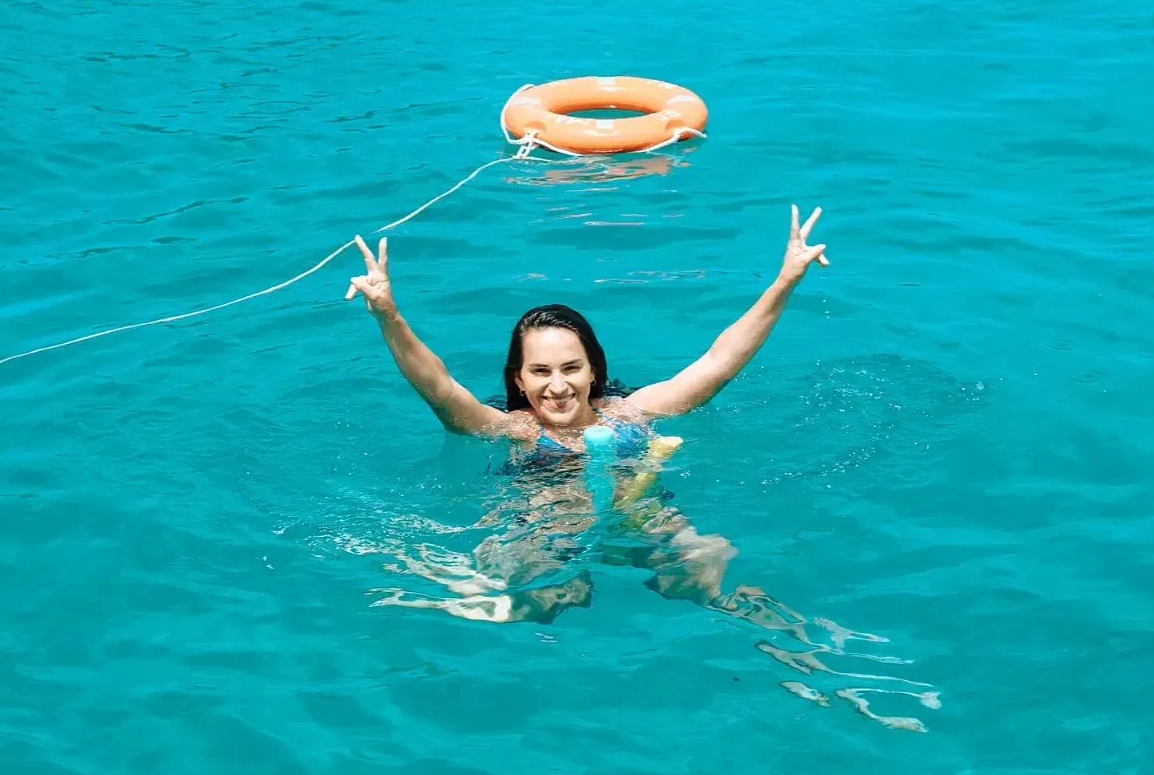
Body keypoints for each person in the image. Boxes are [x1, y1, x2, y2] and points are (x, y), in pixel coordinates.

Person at [345, 204, 830, 625]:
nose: (557, 386)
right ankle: (487, 597)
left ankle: (751, 623)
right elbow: (439, 388)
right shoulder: (517, 430)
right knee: (551, 593)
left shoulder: (631, 413)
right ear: (518, 380)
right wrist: (388, 314)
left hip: (641, 519)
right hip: (550, 532)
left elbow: (719, 363)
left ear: (593, 369)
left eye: (571, 368)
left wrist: (786, 281)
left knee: (709, 554)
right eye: (540, 371)